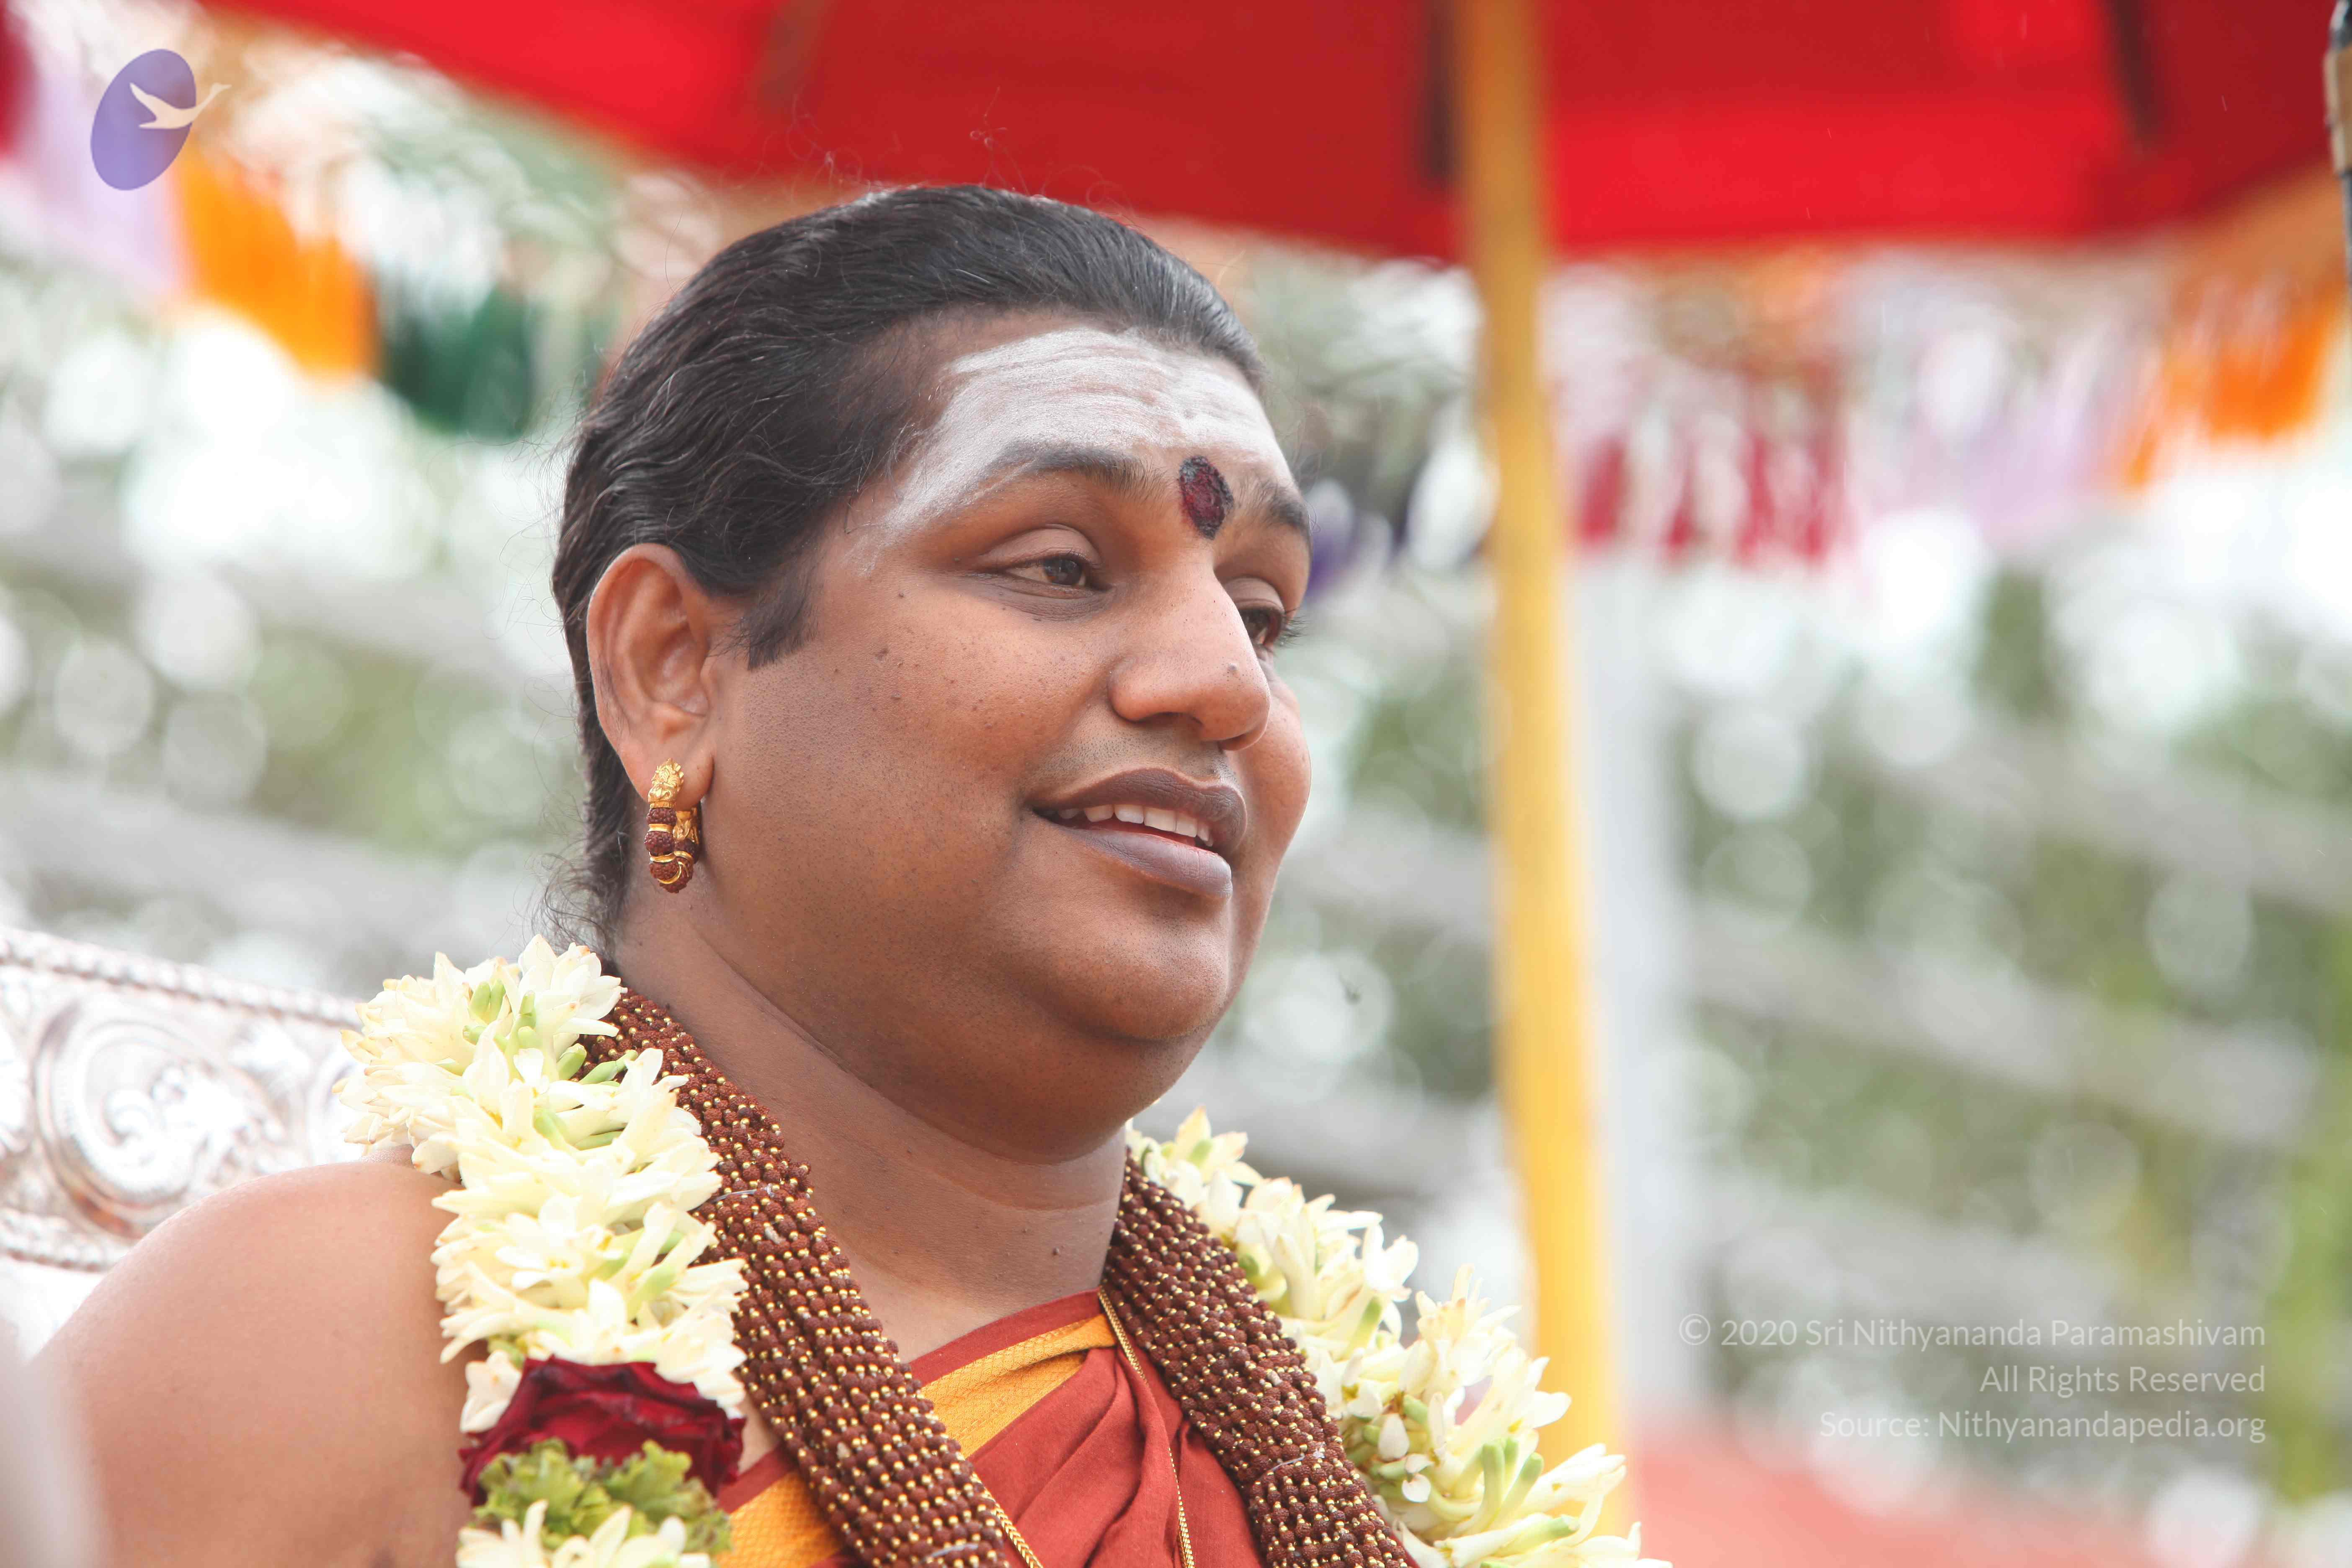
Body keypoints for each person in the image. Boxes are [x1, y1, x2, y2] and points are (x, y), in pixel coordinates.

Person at [41, 186, 1328, 1566]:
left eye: (1262, 615)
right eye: (1062, 568)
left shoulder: (1379, 1447)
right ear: (672, 668)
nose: (1227, 681)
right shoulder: (335, 1343)